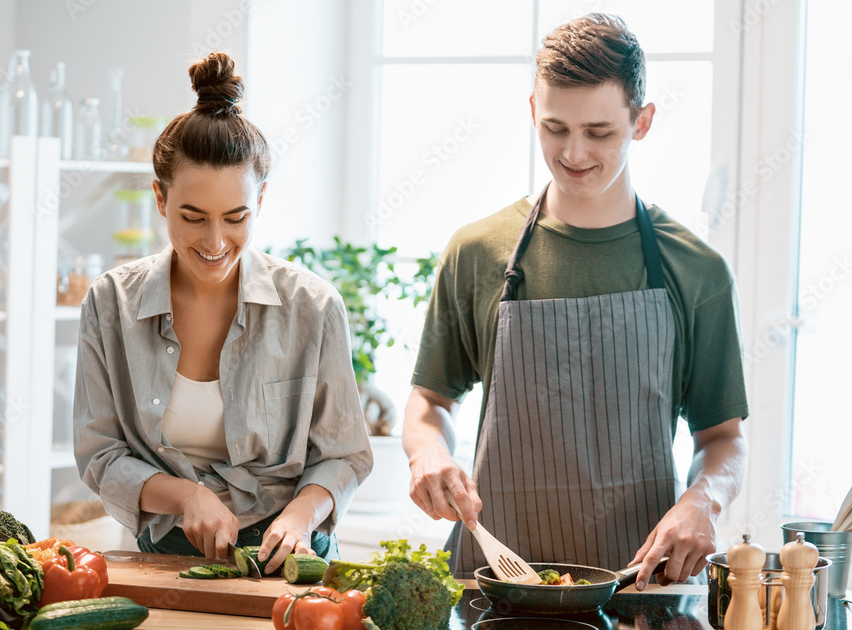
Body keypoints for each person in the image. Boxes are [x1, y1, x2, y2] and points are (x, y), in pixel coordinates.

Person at [403, 13, 748, 587]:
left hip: (639, 588)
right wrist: (426, 455)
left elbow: (723, 439)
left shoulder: (697, 270)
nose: (574, 152)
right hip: (494, 581)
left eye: (599, 131)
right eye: (556, 127)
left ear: (642, 122)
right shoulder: (476, 252)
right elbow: (428, 403)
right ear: (533, 110)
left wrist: (704, 502)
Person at [74, 52, 372, 573]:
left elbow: (344, 453)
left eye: (236, 218)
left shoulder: (314, 307)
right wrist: (187, 497)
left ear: (260, 201)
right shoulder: (110, 304)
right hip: (170, 559)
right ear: (161, 199)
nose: (215, 242)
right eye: (194, 218)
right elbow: (100, 454)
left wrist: (301, 514)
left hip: (295, 557)